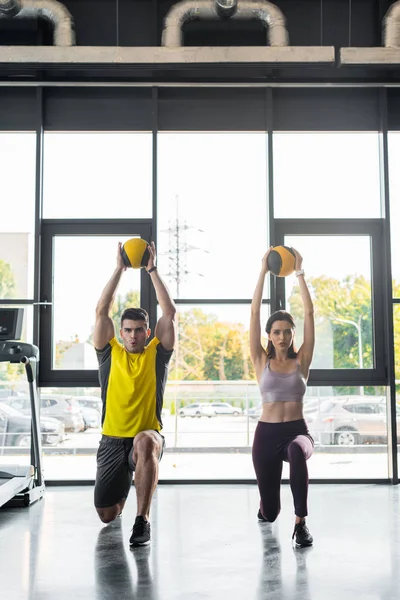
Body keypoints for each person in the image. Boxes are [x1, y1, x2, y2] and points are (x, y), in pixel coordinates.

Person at [93, 241, 176, 547]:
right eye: (127, 330)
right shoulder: (109, 353)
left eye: (138, 329)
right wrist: (119, 269)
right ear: (120, 332)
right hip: (112, 440)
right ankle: (132, 477)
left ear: (147, 332)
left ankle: (142, 521)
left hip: (146, 435)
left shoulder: (156, 355)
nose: (132, 335)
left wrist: (151, 269)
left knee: (146, 441)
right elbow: (102, 311)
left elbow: (170, 313)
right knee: (106, 515)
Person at [250, 247, 315, 548]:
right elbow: (253, 312)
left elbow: (310, 313)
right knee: (271, 512)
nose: (282, 336)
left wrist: (299, 271)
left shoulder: (301, 361)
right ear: (269, 335)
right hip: (266, 434)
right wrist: (263, 271)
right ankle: (267, 509)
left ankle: (301, 523)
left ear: (292, 335)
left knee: (296, 451)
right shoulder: (260, 362)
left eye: (287, 331)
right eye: (276, 331)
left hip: (297, 432)